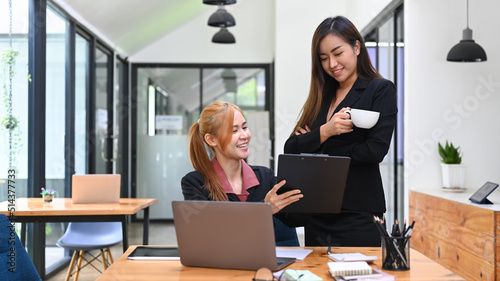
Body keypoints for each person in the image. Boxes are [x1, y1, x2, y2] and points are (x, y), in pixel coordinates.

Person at [283, 16, 398, 247]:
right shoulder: (322, 95)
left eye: (338, 53)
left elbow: (374, 151)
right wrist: (326, 131)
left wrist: (317, 144)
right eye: (324, 58)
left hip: (360, 213)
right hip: (317, 211)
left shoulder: (379, 89)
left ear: (356, 47)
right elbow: (291, 148)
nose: (332, 64)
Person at [181, 101, 303, 246]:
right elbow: (209, 232)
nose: (244, 135)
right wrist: (264, 208)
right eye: (234, 131)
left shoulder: (266, 177)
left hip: (264, 263)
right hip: (221, 264)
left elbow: (295, 220)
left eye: (244, 127)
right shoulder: (195, 182)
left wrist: (304, 180)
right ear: (211, 139)